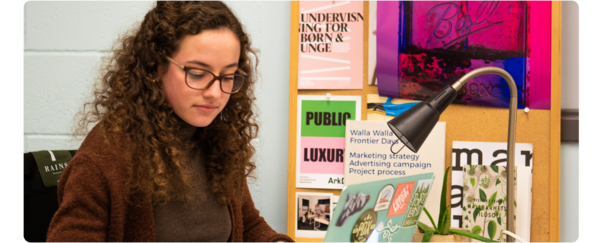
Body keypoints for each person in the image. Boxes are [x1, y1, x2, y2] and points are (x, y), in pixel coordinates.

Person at [46, 1, 293, 242]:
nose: (215, 93)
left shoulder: (217, 139)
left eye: (228, 77)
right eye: (197, 74)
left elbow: (248, 225)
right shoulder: (102, 161)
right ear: (155, 68)